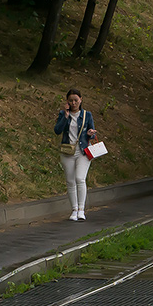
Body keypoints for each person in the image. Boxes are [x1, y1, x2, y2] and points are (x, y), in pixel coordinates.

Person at [54, 88, 97, 221]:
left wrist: (91, 133)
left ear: (81, 100)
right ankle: (73, 209)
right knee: (70, 181)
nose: (73, 103)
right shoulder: (63, 114)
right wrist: (65, 117)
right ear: (67, 102)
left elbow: (93, 132)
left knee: (80, 178)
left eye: (76, 100)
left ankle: (81, 209)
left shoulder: (86, 115)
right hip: (67, 151)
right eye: (70, 100)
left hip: (83, 151)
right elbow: (57, 130)